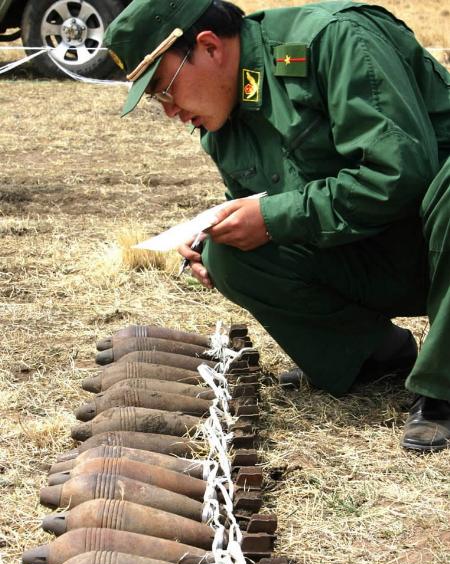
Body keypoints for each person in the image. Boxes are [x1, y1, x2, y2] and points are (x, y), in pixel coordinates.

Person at [104, 0, 450, 452]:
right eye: (156, 99)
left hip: (434, 233)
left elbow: (401, 174)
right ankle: (372, 356)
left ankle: (442, 388)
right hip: (391, 251)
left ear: (208, 47)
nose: (169, 110)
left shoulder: (333, 41)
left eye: (165, 88)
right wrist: (222, 231)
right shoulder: (224, 121)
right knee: (228, 252)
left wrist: (270, 219)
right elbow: (273, 202)